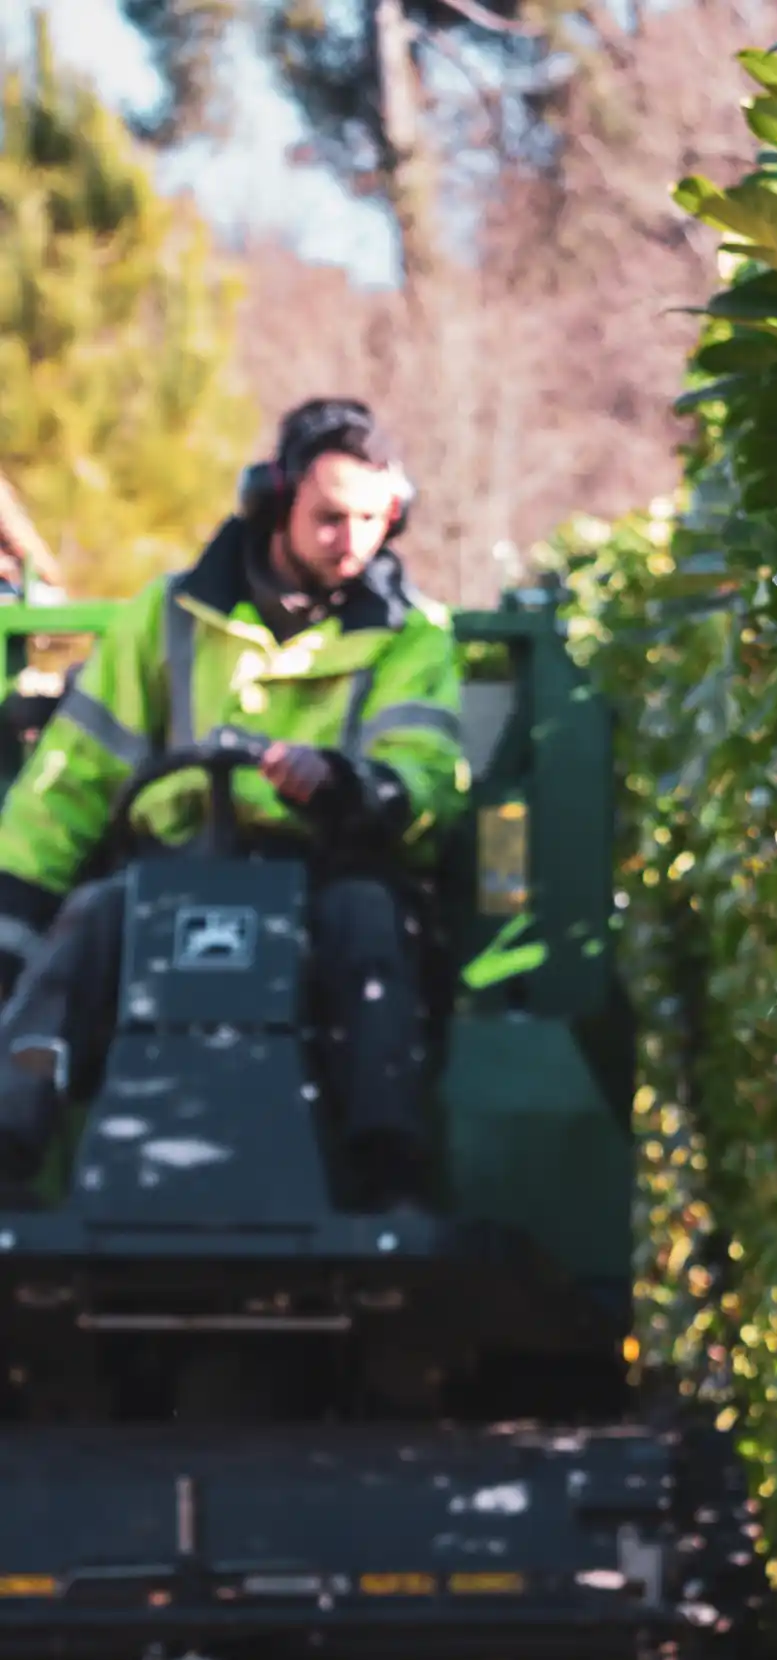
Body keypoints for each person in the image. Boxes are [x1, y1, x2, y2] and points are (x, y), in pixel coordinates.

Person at [0, 397, 464, 1210]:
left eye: (372, 517)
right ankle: (11, 1146)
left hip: (330, 877)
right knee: (88, 926)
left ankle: (388, 1181)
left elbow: (424, 774)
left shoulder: (413, 636)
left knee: (370, 935)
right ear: (273, 501)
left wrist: (346, 786)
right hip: (172, 877)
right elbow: (74, 777)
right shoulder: (168, 616)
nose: (352, 541)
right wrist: (14, 914)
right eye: (329, 517)